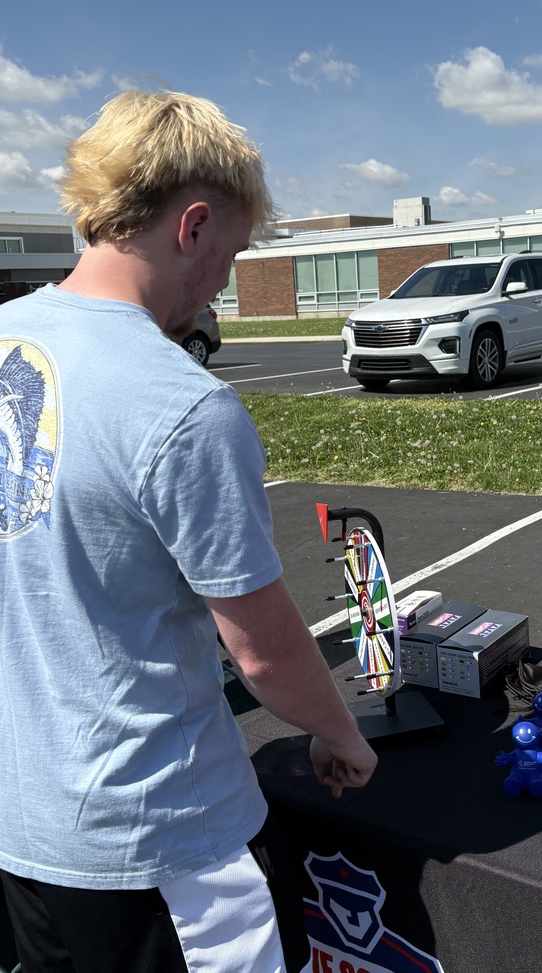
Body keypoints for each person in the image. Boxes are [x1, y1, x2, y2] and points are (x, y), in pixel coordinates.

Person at [0, 90, 378, 973]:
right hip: (165, 846)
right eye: (233, 255)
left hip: (26, 830)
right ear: (193, 225)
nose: (225, 282)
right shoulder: (182, 406)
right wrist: (342, 736)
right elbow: (266, 654)